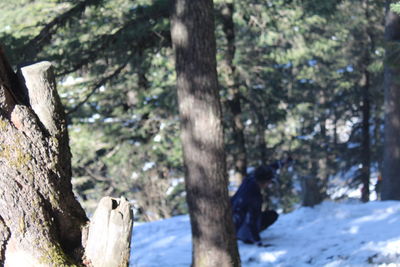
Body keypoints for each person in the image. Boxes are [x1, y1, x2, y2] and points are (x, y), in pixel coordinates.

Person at [231, 165, 279, 246]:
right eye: (269, 181)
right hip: (238, 226)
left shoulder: (249, 179)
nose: (269, 184)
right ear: (264, 181)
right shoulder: (254, 196)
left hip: (232, 218)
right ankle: (246, 237)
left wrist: (280, 163)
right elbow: (251, 220)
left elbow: (268, 168)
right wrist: (258, 241)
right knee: (271, 216)